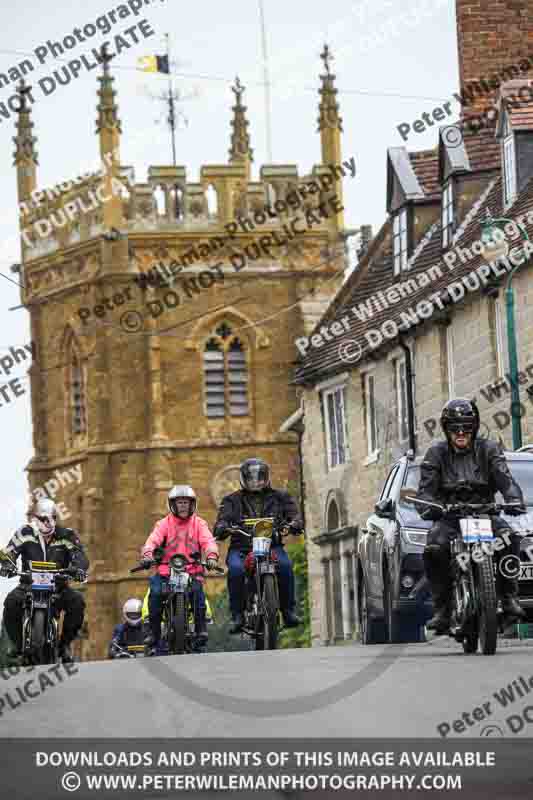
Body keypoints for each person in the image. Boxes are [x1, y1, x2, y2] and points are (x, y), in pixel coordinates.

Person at [419, 398, 526, 633]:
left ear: (474, 427)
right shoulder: (435, 453)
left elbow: (506, 480)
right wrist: (429, 506)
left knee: (510, 537)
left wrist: (513, 499)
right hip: (450, 518)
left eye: (466, 426)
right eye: (454, 427)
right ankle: (443, 609)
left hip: (485, 513)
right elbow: (425, 490)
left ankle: (509, 597)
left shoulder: (489, 449)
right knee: (434, 549)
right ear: (446, 429)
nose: (460, 432)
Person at [213, 458, 303, 633]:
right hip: (241, 548)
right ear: (243, 479)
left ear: (267, 478)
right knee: (236, 570)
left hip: (272, 545)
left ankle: (287, 611)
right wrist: (223, 527)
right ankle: (237, 615)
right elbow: (221, 521)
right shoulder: (231, 500)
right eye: (252, 478)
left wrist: (294, 524)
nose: (256, 482)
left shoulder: (281, 497)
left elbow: (295, 515)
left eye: (260, 478)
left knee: (285, 566)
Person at [0, 498, 89, 663]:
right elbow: (10, 551)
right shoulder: (25, 533)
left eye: (53, 518)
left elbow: (80, 555)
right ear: (36, 518)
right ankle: (17, 645)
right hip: (28, 585)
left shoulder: (67, 535)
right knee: (11, 603)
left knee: (77, 602)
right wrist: (7, 564)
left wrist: (78, 569)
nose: (49, 522)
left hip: (58, 586)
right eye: (44, 519)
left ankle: (65, 644)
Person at [141, 485, 219, 654]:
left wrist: (211, 556)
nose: (183, 506)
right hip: (165, 571)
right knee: (154, 594)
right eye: (179, 502)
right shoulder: (163, 524)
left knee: (198, 594)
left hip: (192, 570)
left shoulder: (199, 523)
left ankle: (201, 630)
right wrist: (147, 554)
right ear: (172, 505)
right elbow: (152, 541)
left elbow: (208, 541)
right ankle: (154, 634)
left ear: (192, 504)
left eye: (186, 502)